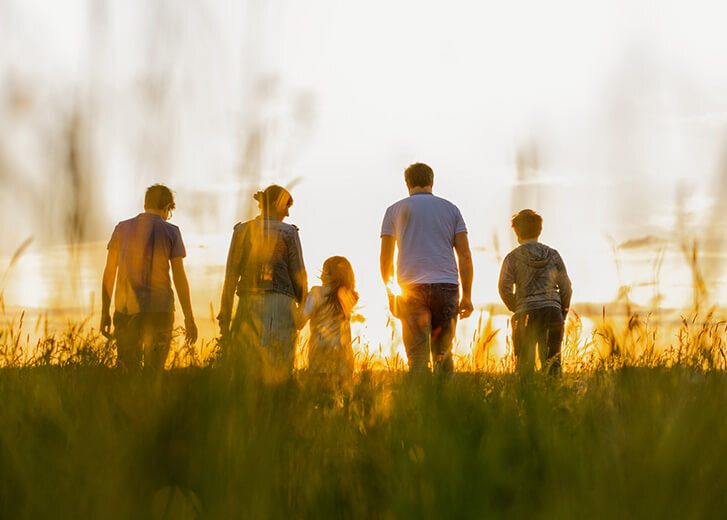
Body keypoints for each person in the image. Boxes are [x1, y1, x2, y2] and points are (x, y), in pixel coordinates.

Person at [380, 162, 474, 373]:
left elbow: (385, 259)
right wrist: (467, 295)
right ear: (432, 181)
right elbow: (465, 255)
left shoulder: (393, 210)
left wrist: (391, 295)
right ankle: (445, 404)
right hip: (446, 286)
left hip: (410, 288)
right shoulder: (451, 209)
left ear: (407, 183)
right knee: (443, 355)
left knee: (417, 358)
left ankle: (418, 404)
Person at [100, 184, 198, 371]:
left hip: (126, 310)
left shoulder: (121, 229)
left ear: (146, 204)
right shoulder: (172, 231)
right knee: (155, 374)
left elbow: (109, 272)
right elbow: (179, 277)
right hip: (160, 311)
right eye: (169, 211)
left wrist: (105, 311)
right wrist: (189, 317)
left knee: (128, 373)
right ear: (167, 207)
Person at [218, 185, 307, 381]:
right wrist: (302, 306)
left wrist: (225, 312)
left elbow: (231, 275)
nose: (288, 213)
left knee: (247, 366)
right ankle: (276, 405)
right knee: (280, 364)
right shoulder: (289, 232)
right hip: (282, 302)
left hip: (249, 301)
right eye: (286, 207)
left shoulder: (242, 230)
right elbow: (299, 273)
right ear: (277, 205)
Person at [498, 209, 572, 375]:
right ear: (539, 230)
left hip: (525, 314)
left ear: (516, 232)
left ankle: (528, 399)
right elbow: (566, 286)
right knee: (553, 365)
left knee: (524, 368)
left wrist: (517, 306)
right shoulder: (553, 255)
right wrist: (562, 310)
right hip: (553, 312)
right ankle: (554, 398)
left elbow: (504, 287)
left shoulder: (512, 257)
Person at [300, 256, 359, 386]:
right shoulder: (348, 297)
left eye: (324, 271)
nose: (321, 276)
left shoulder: (317, 293)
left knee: (320, 400)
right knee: (339, 401)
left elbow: (301, 321)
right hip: (345, 361)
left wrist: (300, 301)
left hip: (320, 359)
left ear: (330, 275)